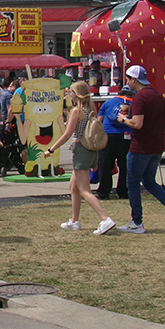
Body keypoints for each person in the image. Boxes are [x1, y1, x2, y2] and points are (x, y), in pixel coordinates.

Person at [116, 65, 165, 233]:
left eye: (128, 79)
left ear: (134, 80)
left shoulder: (140, 98)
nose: (127, 82)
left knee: (132, 183)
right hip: (156, 146)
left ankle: (137, 223)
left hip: (140, 147)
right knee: (149, 181)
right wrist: (159, 132)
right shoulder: (156, 94)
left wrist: (123, 119)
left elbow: (137, 123)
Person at [41, 80, 116, 235]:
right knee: (73, 187)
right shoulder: (90, 109)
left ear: (76, 94)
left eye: (71, 92)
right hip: (89, 150)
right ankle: (74, 221)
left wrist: (51, 149)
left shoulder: (76, 111)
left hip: (80, 150)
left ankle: (105, 219)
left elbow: (68, 134)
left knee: (84, 190)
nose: (69, 94)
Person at [95, 85, 134, 200]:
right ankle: (123, 191)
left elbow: (99, 120)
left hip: (108, 134)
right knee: (125, 166)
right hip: (126, 135)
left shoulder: (108, 103)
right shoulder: (133, 103)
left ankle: (104, 191)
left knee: (105, 164)